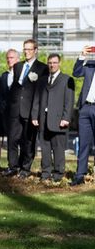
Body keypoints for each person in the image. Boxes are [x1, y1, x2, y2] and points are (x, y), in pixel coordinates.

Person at [4, 39, 49, 178]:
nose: (26, 52)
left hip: (30, 110)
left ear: (35, 50)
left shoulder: (42, 68)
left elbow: (42, 91)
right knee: (12, 139)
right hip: (15, 109)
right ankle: (12, 167)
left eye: (29, 49)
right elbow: (15, 88)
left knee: (28, 141)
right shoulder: (17, 66)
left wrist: (37, 112)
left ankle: (25, 168)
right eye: (25, 49)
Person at [32, 54, 74, 182]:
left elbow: (69, 101)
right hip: (43, 119)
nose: (52, 65)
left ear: (59, 63)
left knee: (58, 148)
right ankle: (46, 173)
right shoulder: (42, 80)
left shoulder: (67, 79)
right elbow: (37, 99)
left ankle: (58, 174)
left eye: (54, 62)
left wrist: (66, 118)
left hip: (59, 120)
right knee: (45, 148)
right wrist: (35, 115)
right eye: (50, 63)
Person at [70, 46, 95, 186]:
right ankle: (80, 175)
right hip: (85, 108)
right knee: (84, 143)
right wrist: (82, 56)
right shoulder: (90, 65)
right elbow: (76, 72)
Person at [0, 49, 20, 144]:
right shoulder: (4, 76)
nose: (9, 60)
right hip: (7, 114)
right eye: (7, 58)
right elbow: (1, 94)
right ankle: (12, 159)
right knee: (10, 140)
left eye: (11, 58)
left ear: (17, 59)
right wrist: (2, 108)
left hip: (20, 113)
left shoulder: (22, 75)